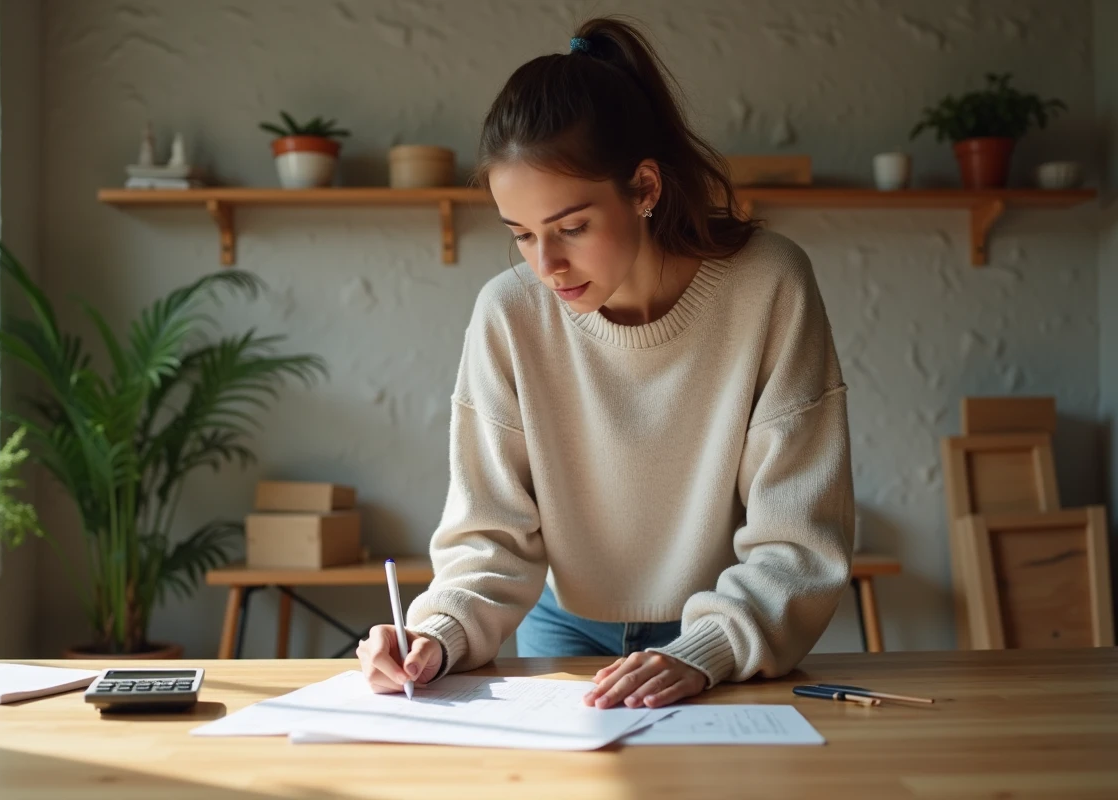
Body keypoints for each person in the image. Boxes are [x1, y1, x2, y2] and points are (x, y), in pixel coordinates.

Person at [357, 15, 853, 711]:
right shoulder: (508, 314)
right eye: (522, 235)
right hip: (561, 627)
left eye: (571, 227)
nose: (547, 265)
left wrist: (703, 652)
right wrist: (434, 636)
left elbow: (798, 542)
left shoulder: (770, 285)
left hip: (722, 636)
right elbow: (489, 537)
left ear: (645, 188)